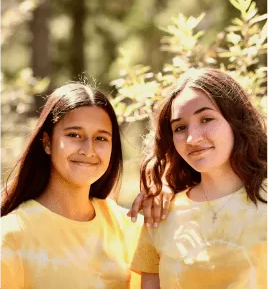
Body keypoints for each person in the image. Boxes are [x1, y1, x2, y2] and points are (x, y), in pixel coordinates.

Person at [0, 82, 169, 289]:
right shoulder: (11, 236)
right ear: (47, 143)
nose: (88, 149)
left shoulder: (128, 226)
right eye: (74, 135)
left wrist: (169, 202)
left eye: (101, 138)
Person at [131, 68, 268, 289]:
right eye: (180, 127)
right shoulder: (160, 214)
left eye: (206, 119)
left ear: (236, 121)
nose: (193, 138)